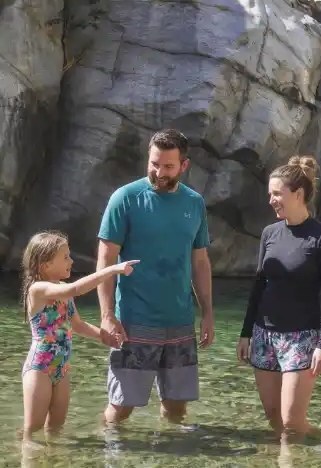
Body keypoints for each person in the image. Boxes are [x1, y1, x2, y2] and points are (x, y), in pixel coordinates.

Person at [96, 128, 214, 425]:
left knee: (176, 409)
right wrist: (107, 315)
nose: (159, 172)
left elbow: (200, 261)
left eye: (168, 166)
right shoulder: (125, 198)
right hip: (134, 323)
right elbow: (106, 260)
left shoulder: (194, 203)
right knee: (121, 408)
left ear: (184, 166)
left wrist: (208, 313)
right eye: (154, 163)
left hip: (180, 323)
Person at [236, 155, 321, 439]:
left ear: (298, 195)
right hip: (263, 336)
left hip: (301, 338)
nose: (271, 200)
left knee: (292, 422)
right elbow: (259, 284)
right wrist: (246, 333)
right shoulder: (269, 233)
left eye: (277, 194)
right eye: (270, 194)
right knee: (274, 421)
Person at [20, 230, 139, 440]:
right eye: (65, 257)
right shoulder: (37, 290)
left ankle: (54, 460)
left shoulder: (63, 289)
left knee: (56, 427)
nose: (71, 260)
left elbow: (77, 325)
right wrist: (111, 270)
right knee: (33, 429)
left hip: (61, 367)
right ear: (45, 265)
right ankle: (26, 457)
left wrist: (104, 336)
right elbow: (76, 289)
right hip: (40, 368)